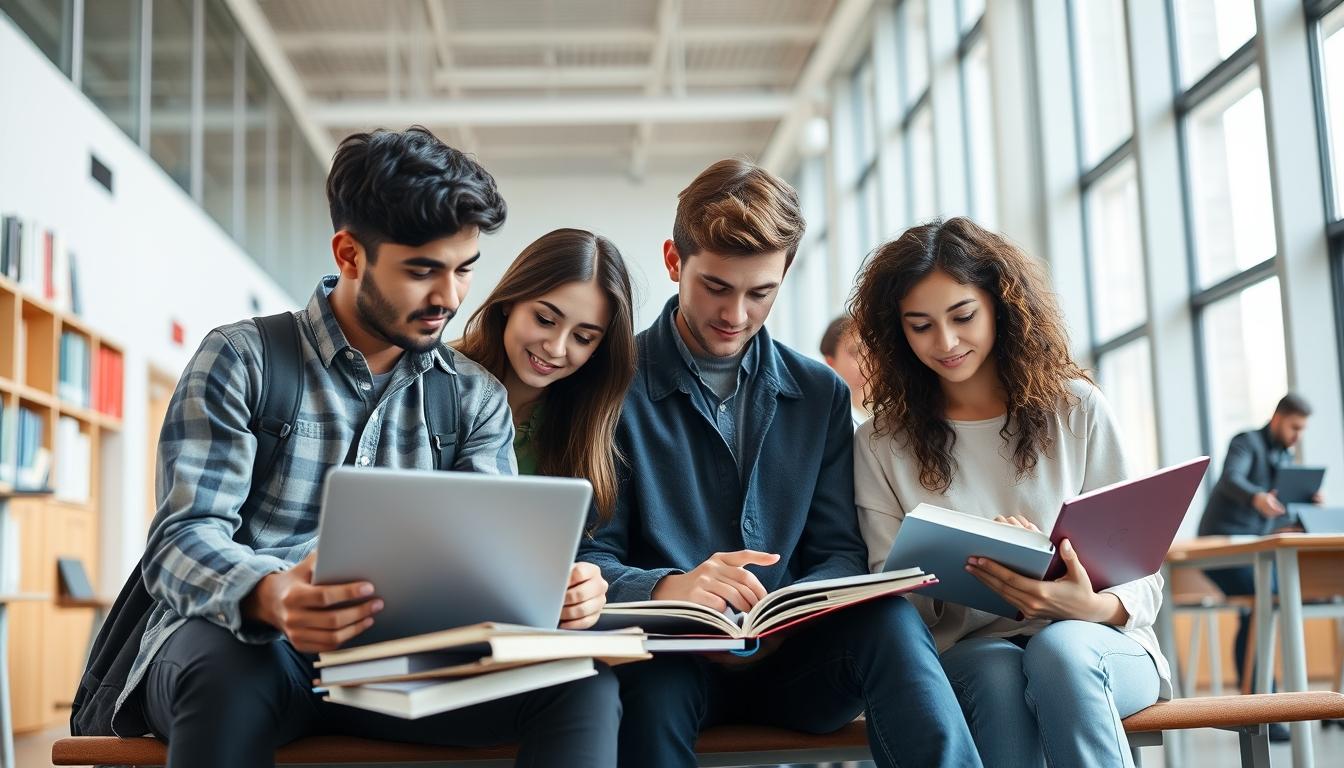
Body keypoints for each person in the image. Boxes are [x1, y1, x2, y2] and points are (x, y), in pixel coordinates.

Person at [81, 127, 619, 767]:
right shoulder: (241, 359)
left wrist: (549, 590)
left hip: (402, 660)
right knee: (229, 670)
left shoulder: (474, 399)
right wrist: (270, 595)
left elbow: (490, 567)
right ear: (350, 253)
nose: (448, 297)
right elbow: (180, 542)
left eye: (464, 270)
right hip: (254, 645)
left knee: (582, 687)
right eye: (422, 270)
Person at [578, 159, 980, 768]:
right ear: (672, 261)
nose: (734, 315)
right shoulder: (606, 388)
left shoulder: (820, 394)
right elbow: (588, 559)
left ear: (784, 275)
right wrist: (671, 587)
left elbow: (839, 553)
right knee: (649, 693)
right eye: (716, 286)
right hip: (671, 665)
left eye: (759, 293)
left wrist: (784, 615)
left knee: (890, 622)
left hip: (796, 666)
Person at [850, 217, 1168, 768]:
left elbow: (1142, 571)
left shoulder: (1076, 408)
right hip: (969, 655)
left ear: (1000, 304)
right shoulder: (881, 442)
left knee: (1060, 652)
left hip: (1095, 641)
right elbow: (890, 597)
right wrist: (970, 568)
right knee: (997, 671)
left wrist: (1087, 604)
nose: (945, 343)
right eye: (920, 325)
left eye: (963, 316)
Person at [455, 227, 638, 532]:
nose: (555, 348)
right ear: (509, 301)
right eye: (544, 320)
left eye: (583, 337)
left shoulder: (590, 424)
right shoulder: (435, 379)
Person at [1198, 393, 1319, 700]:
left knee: (1267, 602)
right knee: (1264, 599)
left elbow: (1275, 511)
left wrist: (1308, 505)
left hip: (1254, 550)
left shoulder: (1285, 458)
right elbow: (1231, 478)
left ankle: (1261, 699)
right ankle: (1263, 701)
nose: (1298, 436)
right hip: (1219, 547)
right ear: (1278, 418)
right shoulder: (1246, 442)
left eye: (1303, 430)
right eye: (1294, 427)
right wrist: (1256, 497)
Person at [819, 315, 870, 428]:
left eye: (871, 349)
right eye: (855, 351)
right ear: (830, 362)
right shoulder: (828, 419)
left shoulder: (896, 408)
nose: (866, 359)